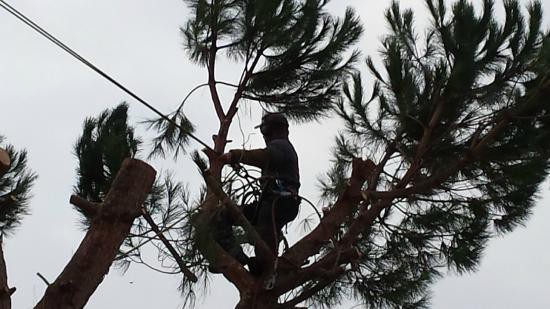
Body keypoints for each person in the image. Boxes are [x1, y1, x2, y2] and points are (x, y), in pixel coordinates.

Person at [212, 112, 301, 275]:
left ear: (270, 130)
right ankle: (238, 259)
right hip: (273, 204)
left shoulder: (281, 146)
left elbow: (264, 156)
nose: (264, 137)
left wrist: (235, 155)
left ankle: (264, 266)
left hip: (278, 204)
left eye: (264, 132)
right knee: (225, 216)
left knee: (264, 243)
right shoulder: (282, 147)